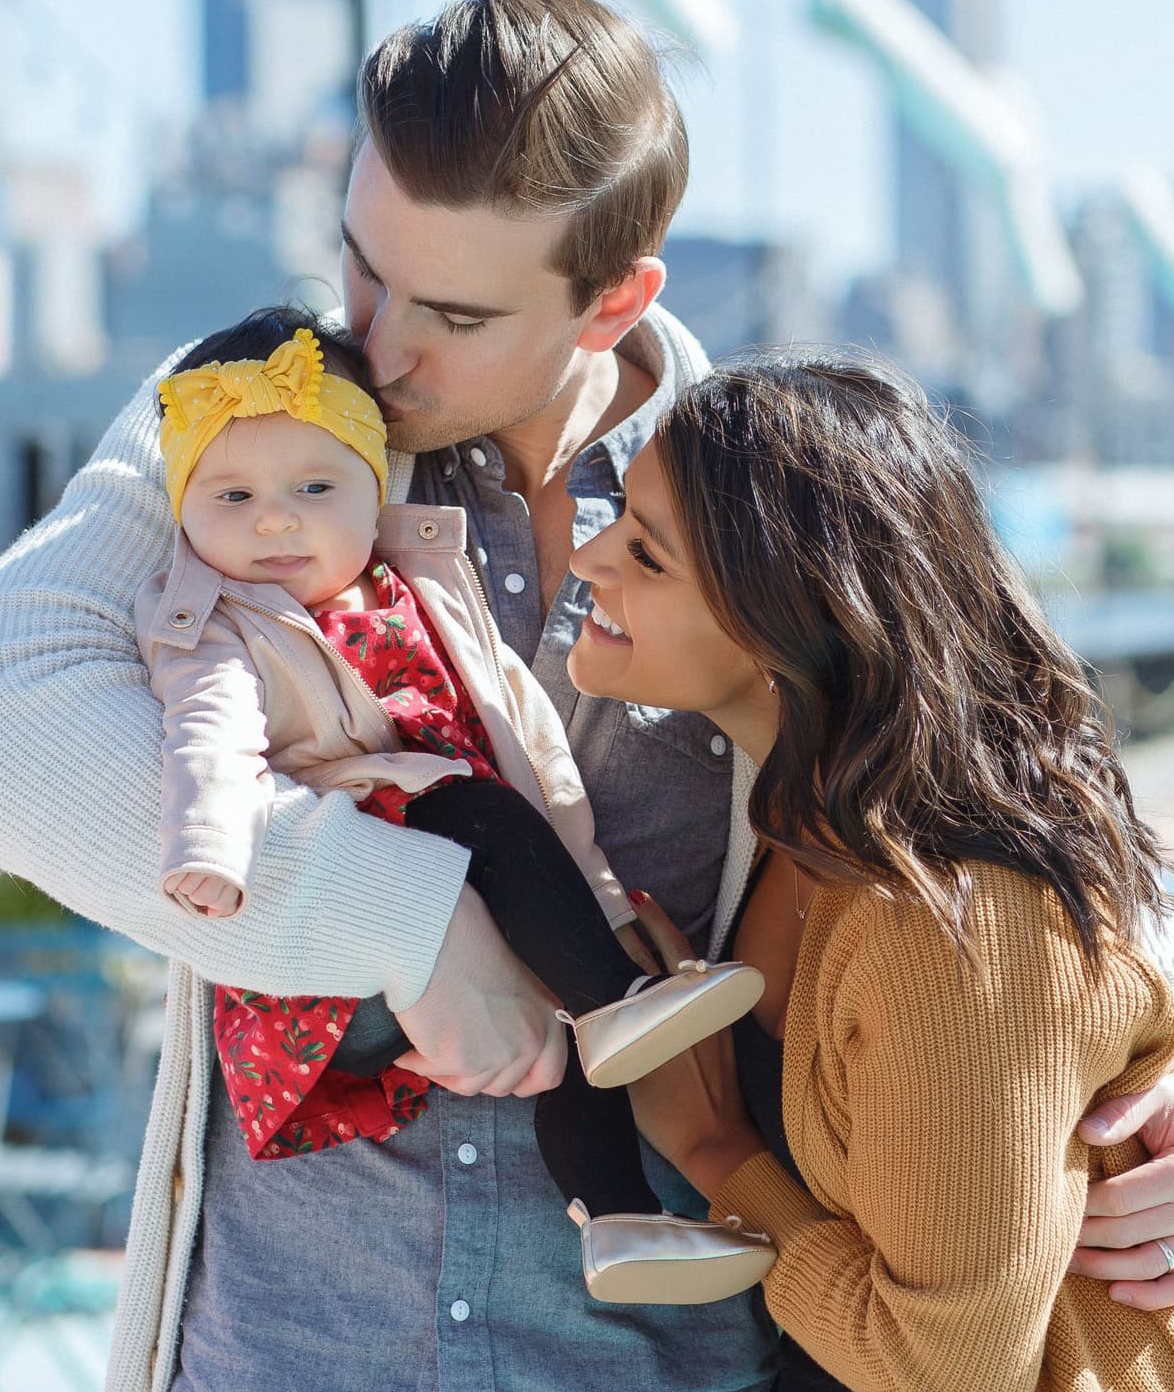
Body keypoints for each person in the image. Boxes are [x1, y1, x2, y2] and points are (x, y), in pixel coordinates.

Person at [0, 0, 1174, 1392]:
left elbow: (1020, 803)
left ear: (617, 295)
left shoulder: (765, 479)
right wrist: (414, 916)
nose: (377, 342)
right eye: (360, 264)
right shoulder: (261, 405)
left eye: (452, 309)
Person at [572, 351, 1174, 1392]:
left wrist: (717, 1156)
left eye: (643, 548)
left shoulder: (950, 914)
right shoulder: (796, 828)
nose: (589, 557)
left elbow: (954, 1373)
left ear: (777, 615)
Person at [135, 306, 769, 1302]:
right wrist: (212, 849)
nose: (274, 519)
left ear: (371, 486)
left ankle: (615, 1221)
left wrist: (595, 892)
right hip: (321, 953)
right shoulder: (216, 621)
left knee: (558, 1032)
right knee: (478, 814)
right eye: (232, 495)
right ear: (182, 507)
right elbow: (208, 737)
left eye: (314, 486)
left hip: (463, 862)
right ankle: (617, 1002)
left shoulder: (418, 579)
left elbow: (527, 735)